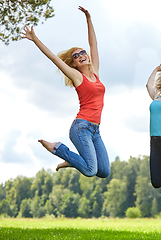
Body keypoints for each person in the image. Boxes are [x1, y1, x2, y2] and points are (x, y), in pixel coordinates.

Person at [22, 6, 110, 178]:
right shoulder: (77, 77)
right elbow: (54, 58)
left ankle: (73, 161)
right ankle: (58, 148)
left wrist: (89, 19)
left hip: (95, 130)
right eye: (76, 56)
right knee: (91, 171)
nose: (81, 55)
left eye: (82, 52)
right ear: (74, 64)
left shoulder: (95, 74)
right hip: (81, 127)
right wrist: (35, 39)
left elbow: (94, 44)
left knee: (104, 171)